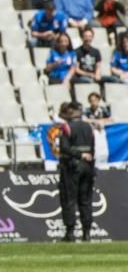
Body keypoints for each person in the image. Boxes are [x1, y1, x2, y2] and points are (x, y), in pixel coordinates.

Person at [56, 101, 94, 242]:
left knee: (69, 199)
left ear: (70, 112)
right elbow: (93, 147)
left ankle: (70, 233)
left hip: (72, 167)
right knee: (85, 200)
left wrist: (79, 155)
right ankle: (87, 233)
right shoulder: (88, 126)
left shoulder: (66, 127)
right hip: (88, 167)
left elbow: (64, 148)